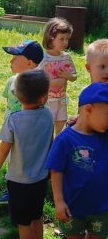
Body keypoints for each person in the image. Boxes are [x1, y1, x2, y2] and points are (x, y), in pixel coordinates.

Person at [0, 70, 53, 239]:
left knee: (23, 222)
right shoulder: (48, 116)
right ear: (44, 98)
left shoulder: (13, 120)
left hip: (18, 181)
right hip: (41, 179)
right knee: (36, 217)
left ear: (17, 96)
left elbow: (3, 149)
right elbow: (51, 143)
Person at [46, 82, 108, 239]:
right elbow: (56, 170)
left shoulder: (104, 135)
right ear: (88, 110)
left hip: (102, 208)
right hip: (72, 207)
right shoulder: (65, 140)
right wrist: (59, 201)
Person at [0, 40, 44, 204]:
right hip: (11, 129)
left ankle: (31, 187)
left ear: (30, 63)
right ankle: (11, 189)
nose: (11, 61)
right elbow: (8, 103)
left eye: (15, 58)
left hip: (28, 131)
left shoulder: (39, 85)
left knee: (26, 160)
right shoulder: (11, 81)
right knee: (11, 159)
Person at [38, 17, 77, 136]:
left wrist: (68, 75)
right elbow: (37, 79)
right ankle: (47, 148)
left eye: (67, 39)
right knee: (47, 127)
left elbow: (74, 76)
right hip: (47, 101)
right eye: (61, 39)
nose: (65, 42)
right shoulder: (43, 58)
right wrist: (54, 82)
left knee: (60, 126)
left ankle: (57, 146)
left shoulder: (66, 57)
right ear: (51, 38)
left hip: (61, 100)